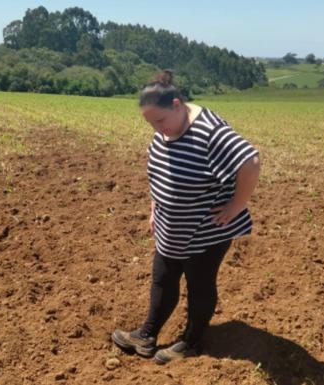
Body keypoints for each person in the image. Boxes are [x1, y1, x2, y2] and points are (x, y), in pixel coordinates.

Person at [111, 70, 261, 364]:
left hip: (206, 230)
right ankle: (147, 334)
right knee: (163, 279)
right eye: (150, 123)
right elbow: (159, 171)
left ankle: (191, 341)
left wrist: (236, 205)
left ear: (177, 105)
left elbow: (250, 161)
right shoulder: (167, 129)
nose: (157, 129)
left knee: (199, 284)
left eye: (160, 121)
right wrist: (156, 207)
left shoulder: (209, 131)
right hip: (172, 226)